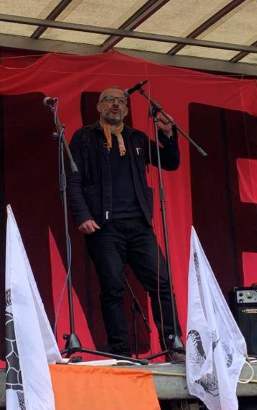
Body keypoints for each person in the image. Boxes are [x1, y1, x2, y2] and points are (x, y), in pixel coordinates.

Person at [67, 86, 184, 360]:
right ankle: (121, 352)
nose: (116, 105)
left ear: (128, 110)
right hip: (104, 228)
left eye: (121, 101)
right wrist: (82, 215)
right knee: (112, 288)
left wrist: (168, 134)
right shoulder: (84, 138)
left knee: (162, 283)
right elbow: (72, 181)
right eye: (110, 100)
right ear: (99, 107)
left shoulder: (136, 138)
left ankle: (173, 343)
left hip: (139, 225)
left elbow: (170, 162)